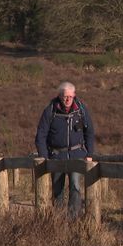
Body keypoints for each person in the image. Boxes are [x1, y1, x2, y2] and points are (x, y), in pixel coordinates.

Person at [35, 81, 95, 218]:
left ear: (74, 95)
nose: (67, 99)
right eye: (64, 96)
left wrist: (90, 153)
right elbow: (41, 135)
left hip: (77, 155)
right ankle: (59, 219)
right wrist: (44, 157)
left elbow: (89, 132)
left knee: (75, 186)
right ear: (59, 96)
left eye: (69, 96)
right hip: (56, 156)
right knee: (57, 190)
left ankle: (74, 218)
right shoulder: (50, 110)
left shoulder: (81, 110)